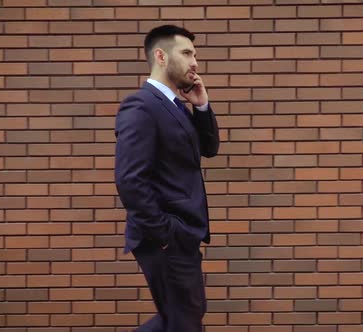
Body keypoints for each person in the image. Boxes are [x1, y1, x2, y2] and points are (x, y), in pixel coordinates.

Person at [114, 25, 220, 332]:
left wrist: (201, 105)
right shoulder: (142, 106)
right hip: (166, 236)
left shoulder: (174, 106)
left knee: (184, 317)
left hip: (180, 233)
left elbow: (209, 148)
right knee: (185, 321)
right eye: (186, 53)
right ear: (160, 56)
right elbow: (130, 179)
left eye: (195, 55)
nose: (195, 62)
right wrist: (163, 233)